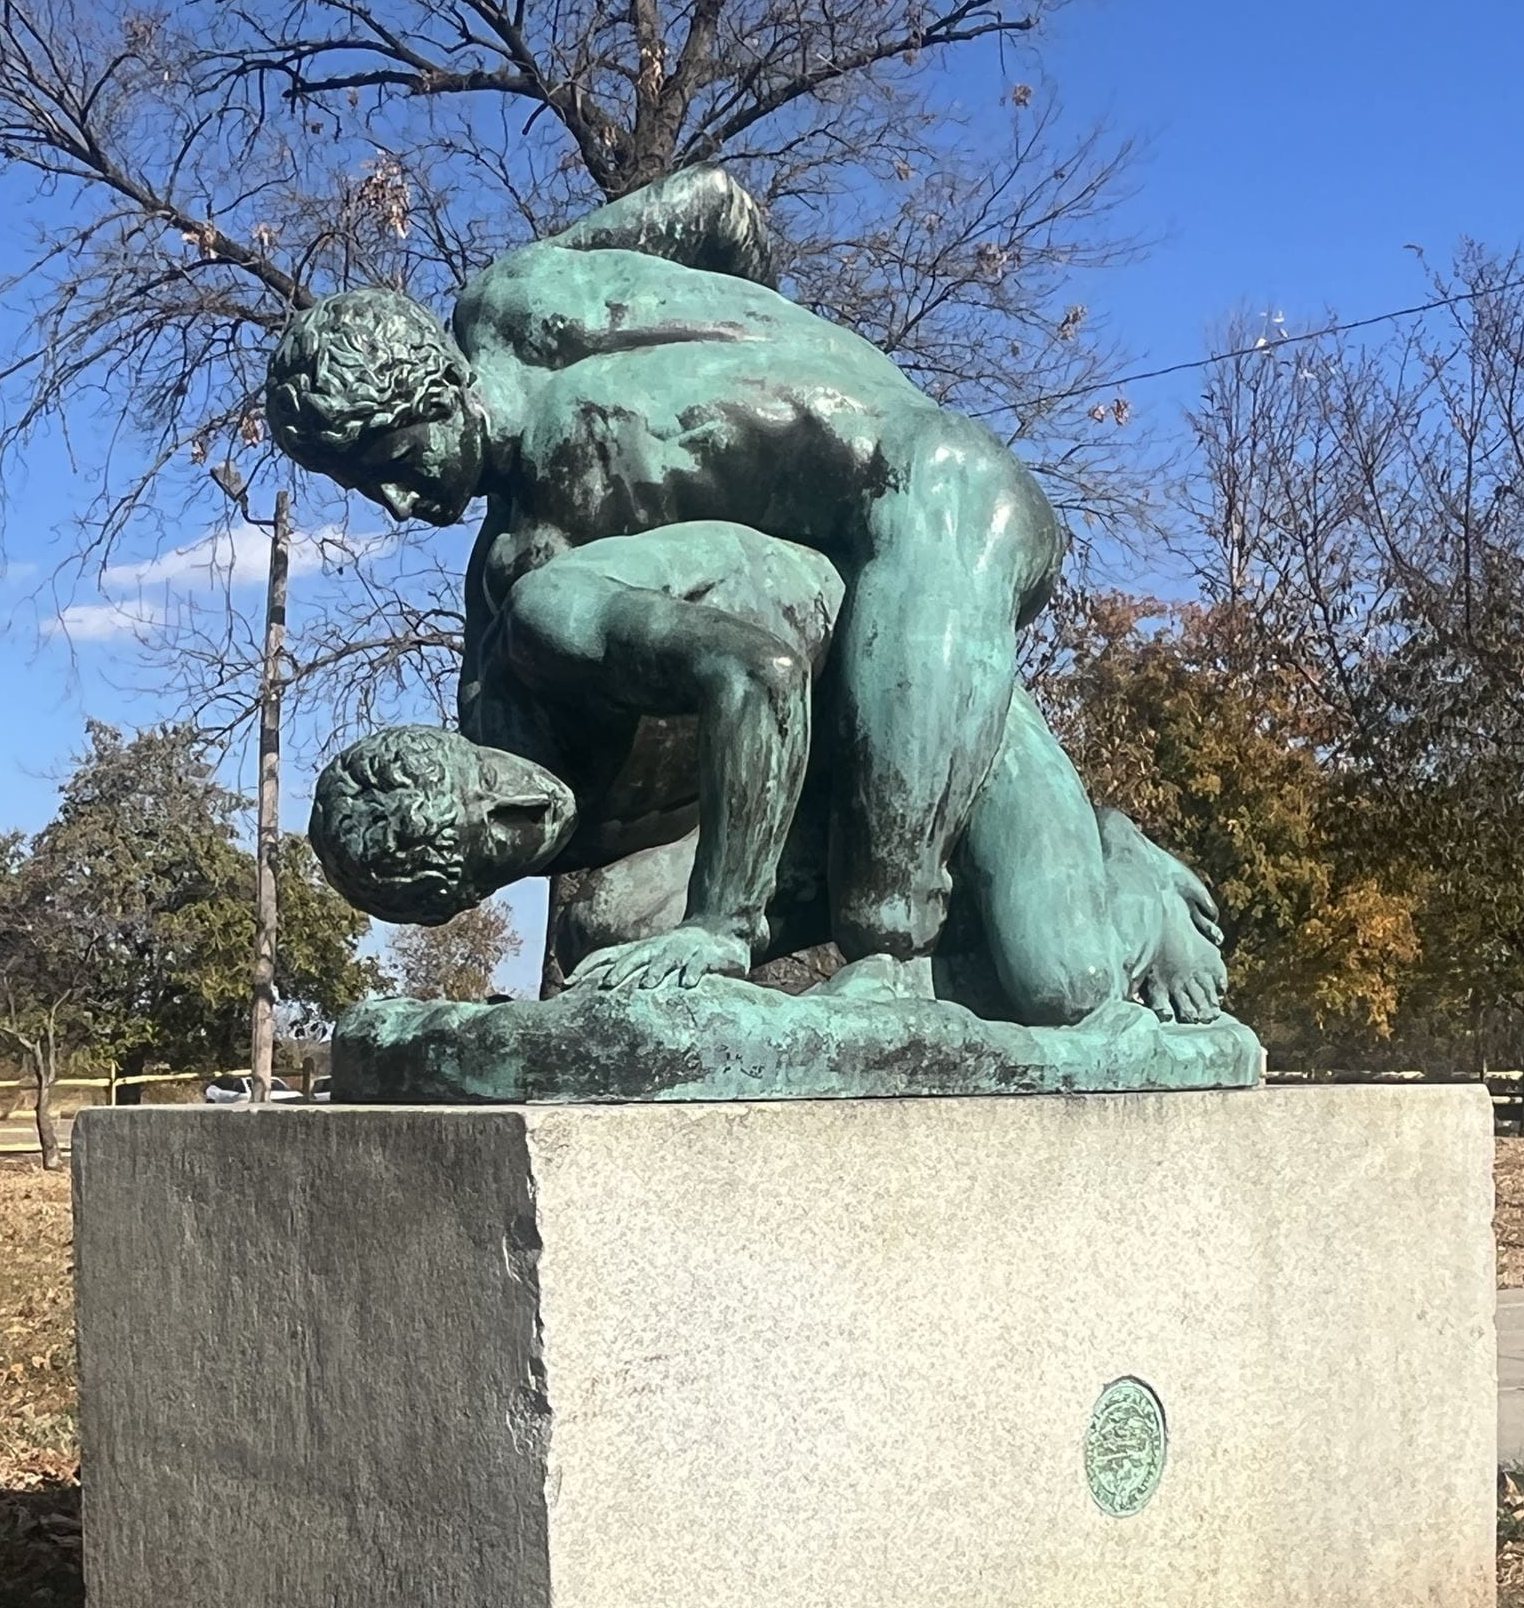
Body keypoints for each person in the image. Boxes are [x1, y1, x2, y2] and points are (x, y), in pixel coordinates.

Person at [267, 164, 1079, 992]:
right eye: (365, 489)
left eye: (395, 461)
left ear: (436, 381)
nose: (399, 502)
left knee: (886, 917)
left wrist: (779, 355)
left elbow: (714, 206)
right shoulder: (512, 326)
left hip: (939, 498)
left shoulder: (519, 312)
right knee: (610, 926)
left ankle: (965, 962)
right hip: (841, 586)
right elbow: (720, 207)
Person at [308, 518, 1228, 1027]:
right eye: (490, 857)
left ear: (462, 744)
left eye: (484, 786)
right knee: (609, 933)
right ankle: (927, 965)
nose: (523, 815)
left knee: (1063, 983)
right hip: (814, 790)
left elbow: (762, 673)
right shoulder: (557, 847)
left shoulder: (550, 628)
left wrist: (720, 925)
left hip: (894, 682)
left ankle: (1128, 876)